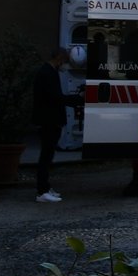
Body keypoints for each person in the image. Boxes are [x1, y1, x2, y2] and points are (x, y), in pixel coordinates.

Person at [32, 47, 81, 203]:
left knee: (48, 155)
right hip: (49, 120)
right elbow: (55, 98)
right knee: (46, 156)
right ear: (59, 58)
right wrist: (77, 100)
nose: (65, 65)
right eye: (65, 61)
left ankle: (45, 187)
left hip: (49, 119)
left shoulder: (47, 72)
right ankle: (42, 190)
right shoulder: (47, 73)